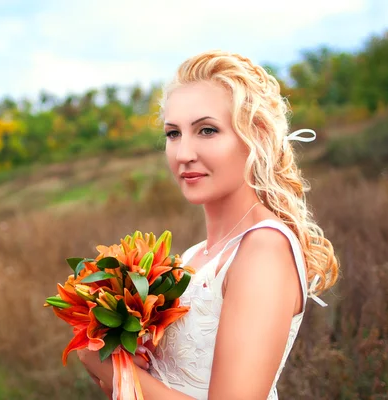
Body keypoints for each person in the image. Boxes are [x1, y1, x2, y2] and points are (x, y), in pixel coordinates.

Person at [77, 50, 339, 399]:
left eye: (207, 130)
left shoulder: (264, 249)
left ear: (255, 136)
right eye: (173, 134)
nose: (184, 153)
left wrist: (114, 372)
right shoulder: (194, 256)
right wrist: (135, 355)